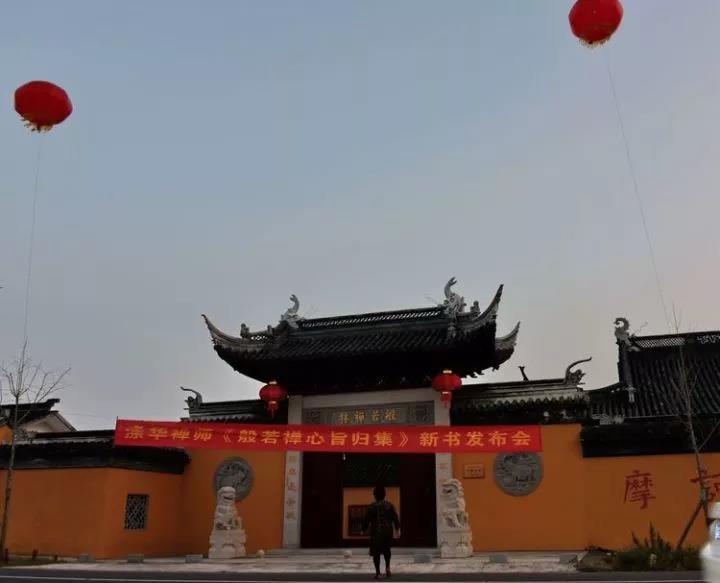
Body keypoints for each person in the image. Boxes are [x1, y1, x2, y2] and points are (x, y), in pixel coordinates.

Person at [362, 484, 401, 579]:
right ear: (384, 494)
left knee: (376, 552)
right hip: (387, 531)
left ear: (375, 495)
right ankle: (388, 568)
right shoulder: (390, 505)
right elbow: (395, 518)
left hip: (376, 532)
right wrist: (398, 529)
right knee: (387, 550)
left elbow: (366, 519)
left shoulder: (371, 507)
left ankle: (378, 573)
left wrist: (363, 529)